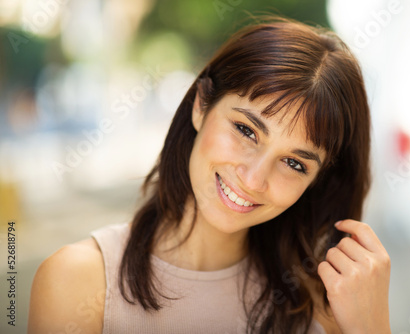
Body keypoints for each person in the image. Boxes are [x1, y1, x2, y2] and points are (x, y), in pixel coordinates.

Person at [28, 16, 391, 334]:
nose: (252, 179)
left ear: (316, 182)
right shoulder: (78, 282)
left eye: (295, 163)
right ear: (201, 104)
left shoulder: (324, 308)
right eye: (246, 130)